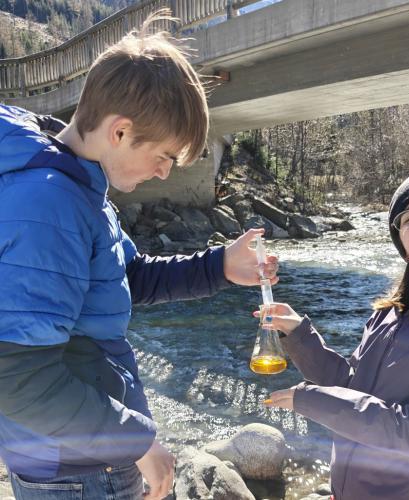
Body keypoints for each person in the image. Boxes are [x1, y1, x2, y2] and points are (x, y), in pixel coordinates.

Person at [0, 11, 278, 500]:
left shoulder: (77, 187)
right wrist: (135, 441)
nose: (166, 173)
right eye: (165, 156)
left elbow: (127, 277)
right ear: (120, 132)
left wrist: (219, 266)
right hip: (78, 471)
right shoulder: (50, 204)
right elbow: (18, 378)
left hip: (82, 455)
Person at [261, 173, 409, 500]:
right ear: (403, 246)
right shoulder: (391, 312)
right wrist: (298, 333)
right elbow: (352, 387)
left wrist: (311, 400)